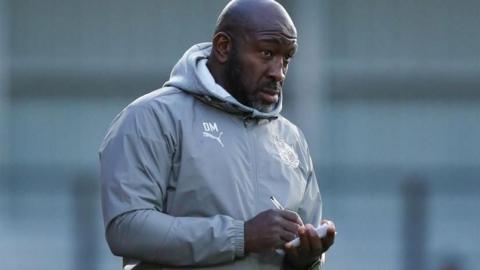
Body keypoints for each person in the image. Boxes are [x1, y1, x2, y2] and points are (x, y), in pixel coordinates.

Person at [99, 0, 335, 269]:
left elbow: (300, 249)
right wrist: (240, 236)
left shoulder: (291, 138)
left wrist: (307, 258)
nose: (278, 72)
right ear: (223, 47)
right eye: (267, 53)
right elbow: (126, 229)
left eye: (287, 58)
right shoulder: (151, 117)